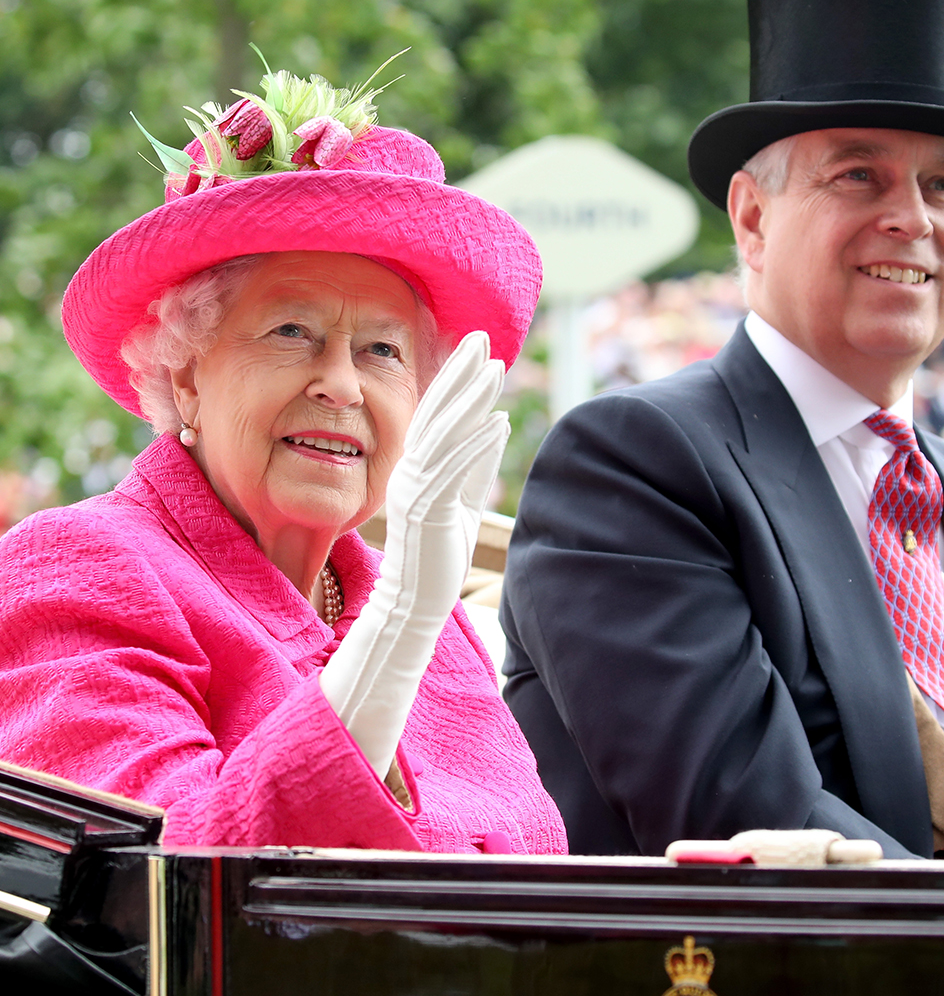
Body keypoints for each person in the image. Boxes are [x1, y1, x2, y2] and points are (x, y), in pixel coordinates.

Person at [500, 0, 944, 860]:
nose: (915, 219)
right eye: (860, 174)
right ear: (753, 217)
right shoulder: (635, 465)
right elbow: (744, 811)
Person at [0, 54, 567, 855]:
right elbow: (168, 890)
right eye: (292, 332)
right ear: (187, 369)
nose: (340, 384)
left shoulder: (427, 621)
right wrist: (397, 625)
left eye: (381, 351)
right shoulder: (71, 568)